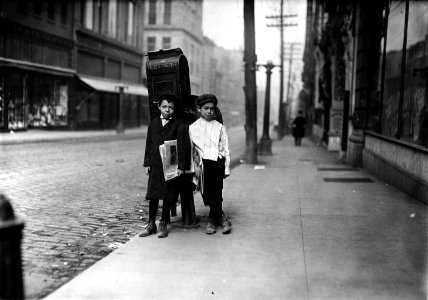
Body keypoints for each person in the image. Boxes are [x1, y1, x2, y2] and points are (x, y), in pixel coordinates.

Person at [139, 94, 193, 238]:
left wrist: (181, 166)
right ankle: (151, 223)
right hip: (156, 164)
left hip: (171, 165)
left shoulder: (179, 125)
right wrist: (147, 162)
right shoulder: (154, 123)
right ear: (159, 107)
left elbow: (183, 146)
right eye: (164, 107)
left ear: (174, 109)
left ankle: (163, 222)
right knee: (153, 194)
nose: (167, 110)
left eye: (171, 107)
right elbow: (149, 144)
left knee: (168, 194)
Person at [189, 94, 232, 235]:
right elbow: (192, 150)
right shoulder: (193, 128)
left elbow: (225, 149)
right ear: (199, 109)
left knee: (217, 192)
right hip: (203, 165)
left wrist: (226, 167)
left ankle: (213, 220)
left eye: (212, 109)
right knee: (207, 194)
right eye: (206, 108)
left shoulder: (219, 127)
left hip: (217, 162)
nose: (209, 111)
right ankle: (221, 216)